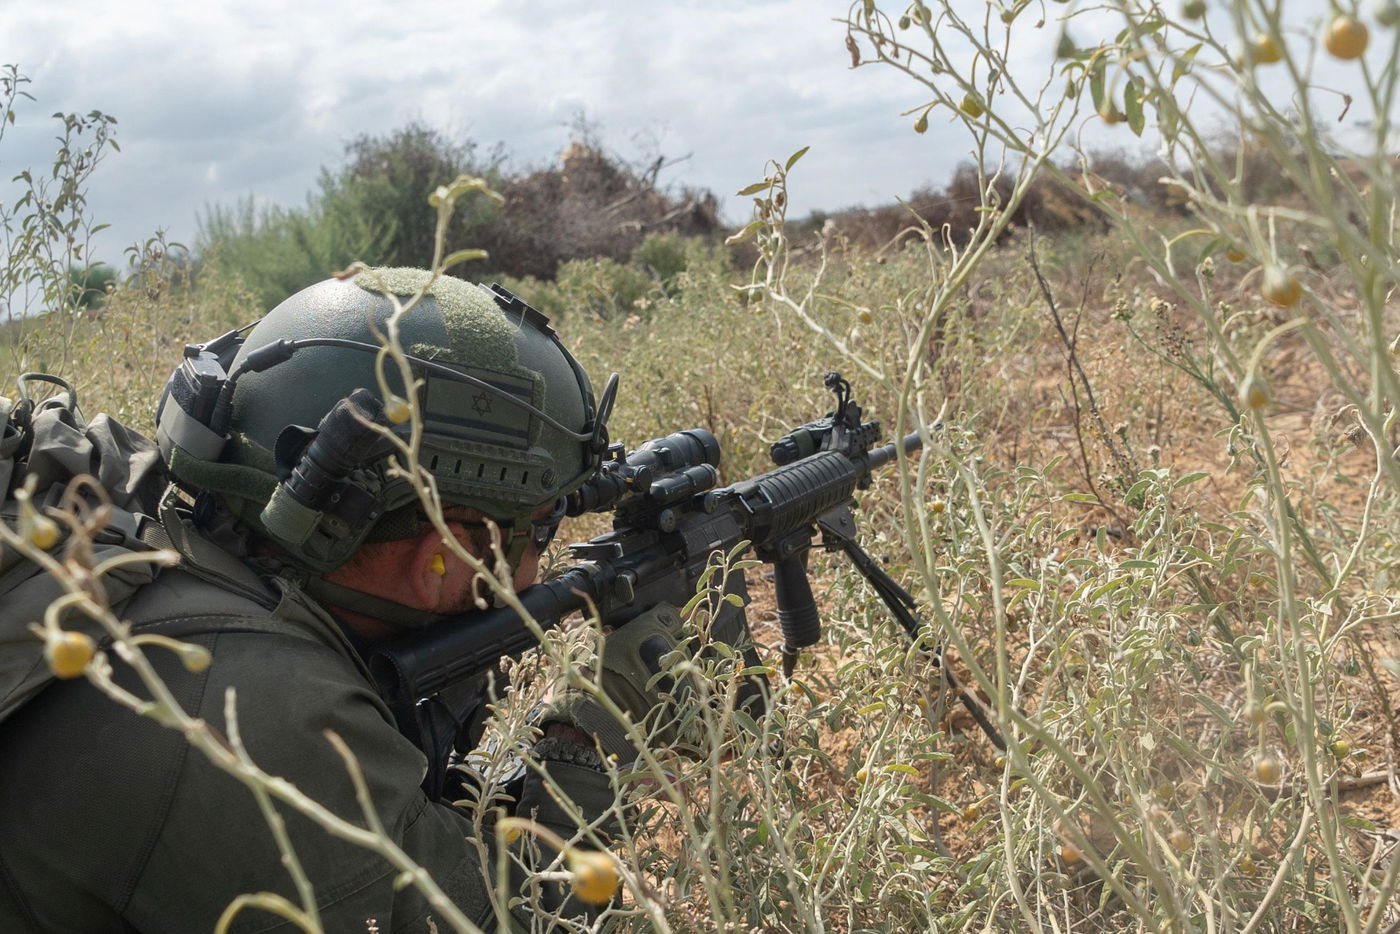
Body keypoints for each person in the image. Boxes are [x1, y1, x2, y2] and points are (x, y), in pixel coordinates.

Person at [0, 267, 682, 932]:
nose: (541, 565)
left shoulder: (149, 529)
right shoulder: (260, 713)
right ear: (447, 546)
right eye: (544, 525)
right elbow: (522, 918)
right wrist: (598, 730)